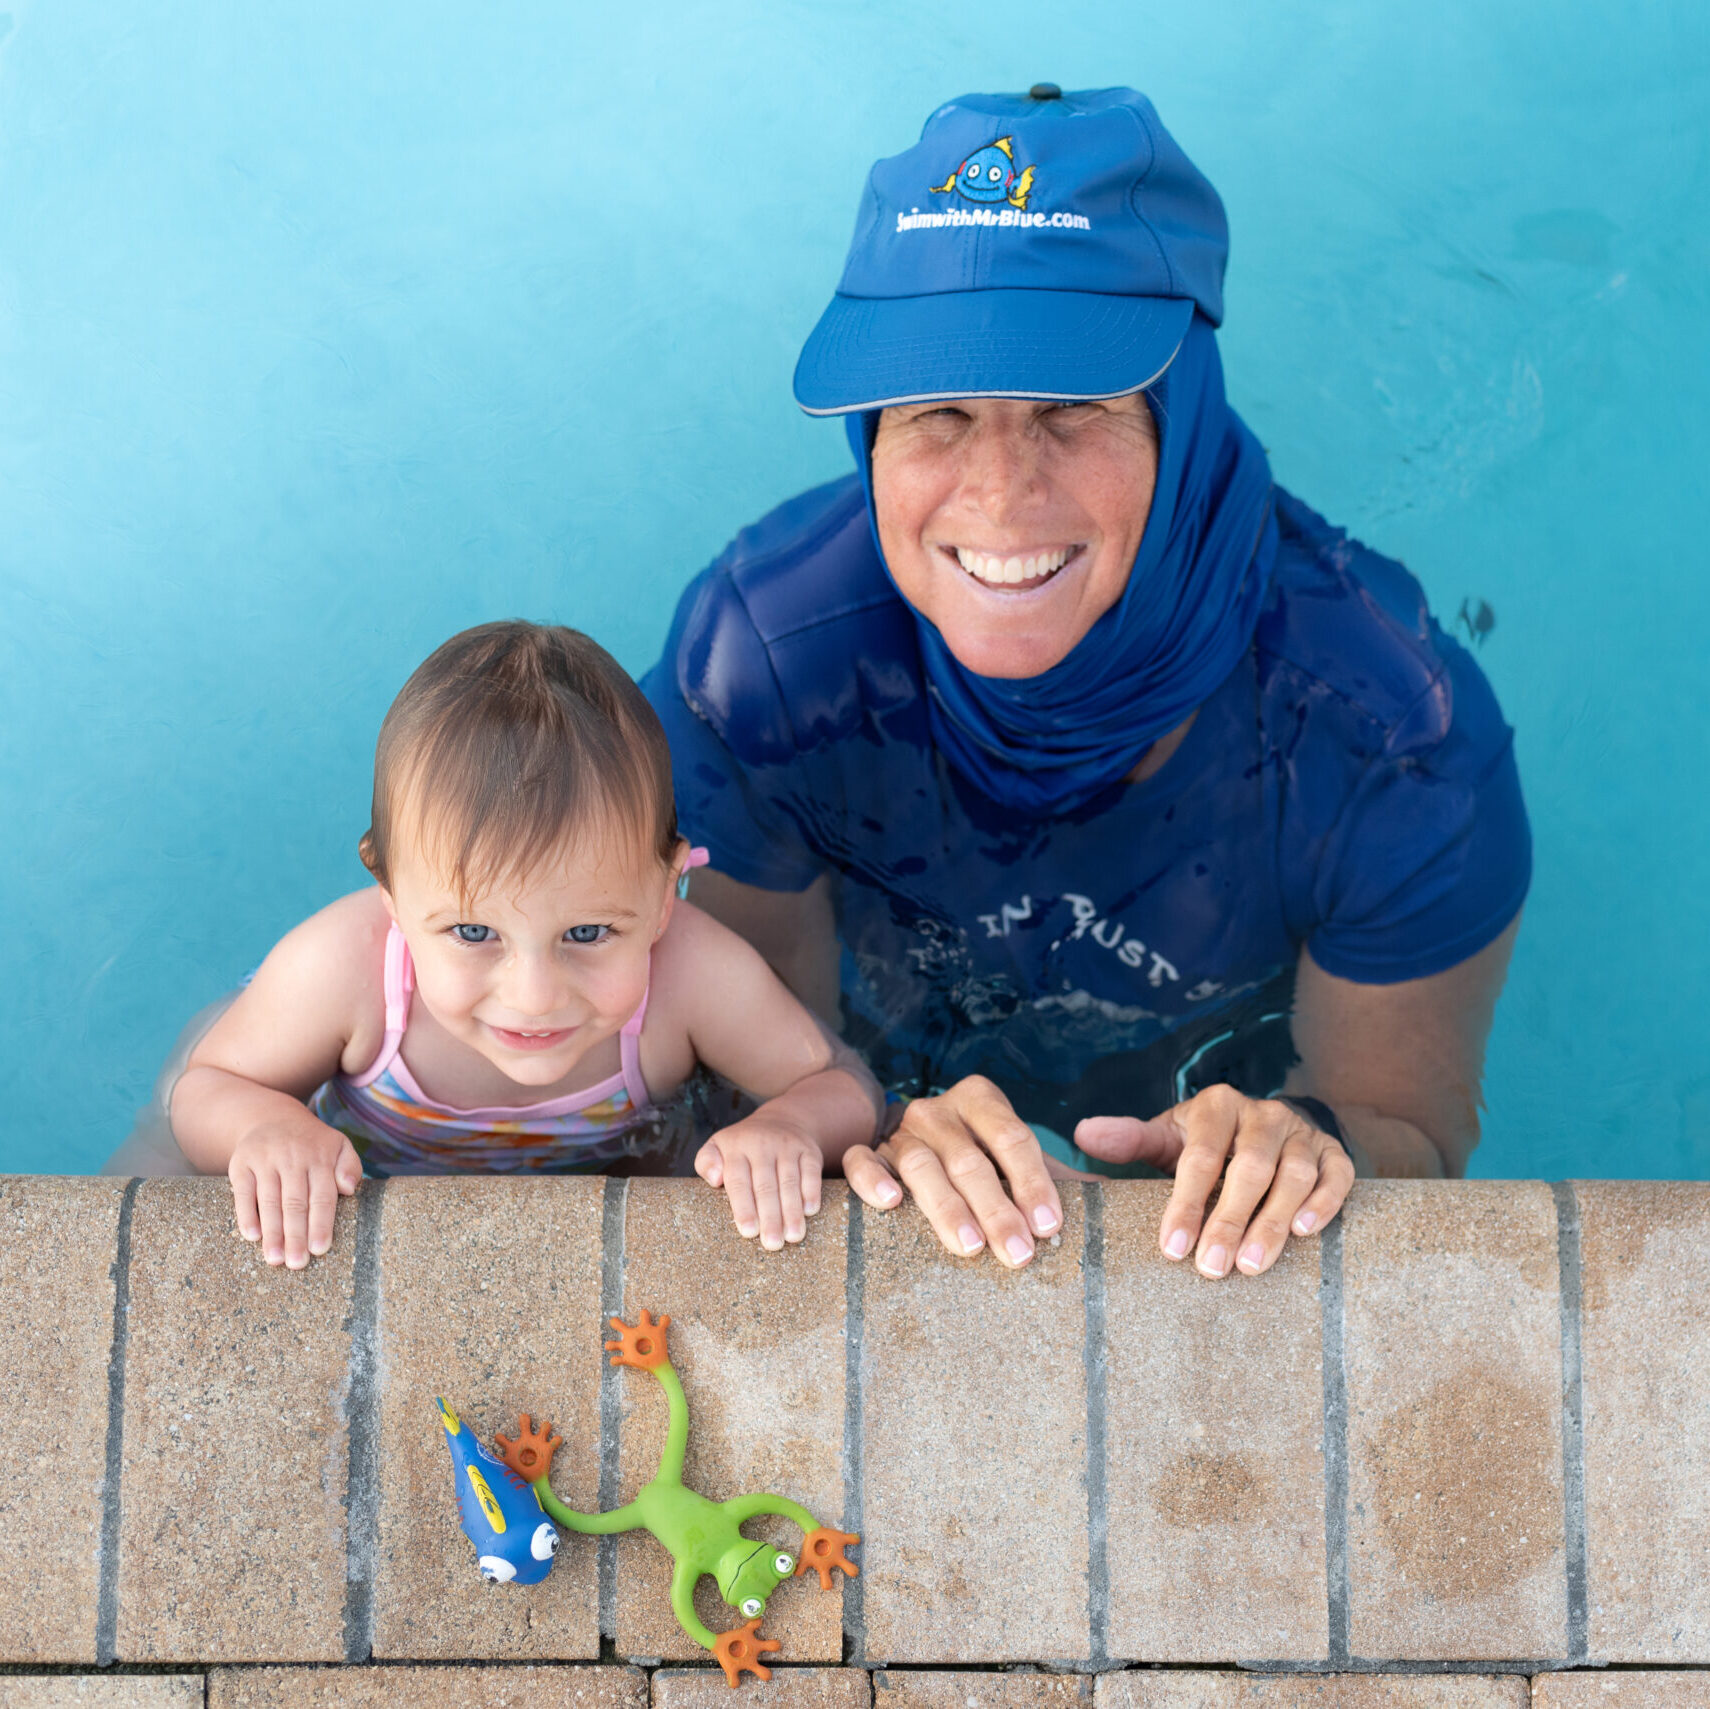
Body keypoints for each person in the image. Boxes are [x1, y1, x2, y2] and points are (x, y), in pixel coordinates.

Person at [643, 85, 1529, 1280]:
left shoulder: (1393, 746)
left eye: (1074, 407)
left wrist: (1306, 1146)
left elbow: (1411, 1129)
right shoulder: (766, 672)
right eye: (939, 410)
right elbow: (734, 1076)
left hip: (1221, 1047)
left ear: (1184, 411)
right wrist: (873, 1120)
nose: (1000, 494)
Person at [169, 622, 881, 1268]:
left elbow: (841, 1083)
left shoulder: (693, 975)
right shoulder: (342, 970)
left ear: (664, 896)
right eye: (474, 932)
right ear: (392, 899)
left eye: (587, 932)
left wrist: (789, 1125)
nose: (534, 994)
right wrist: (266, 1126)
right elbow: (209, 1085)